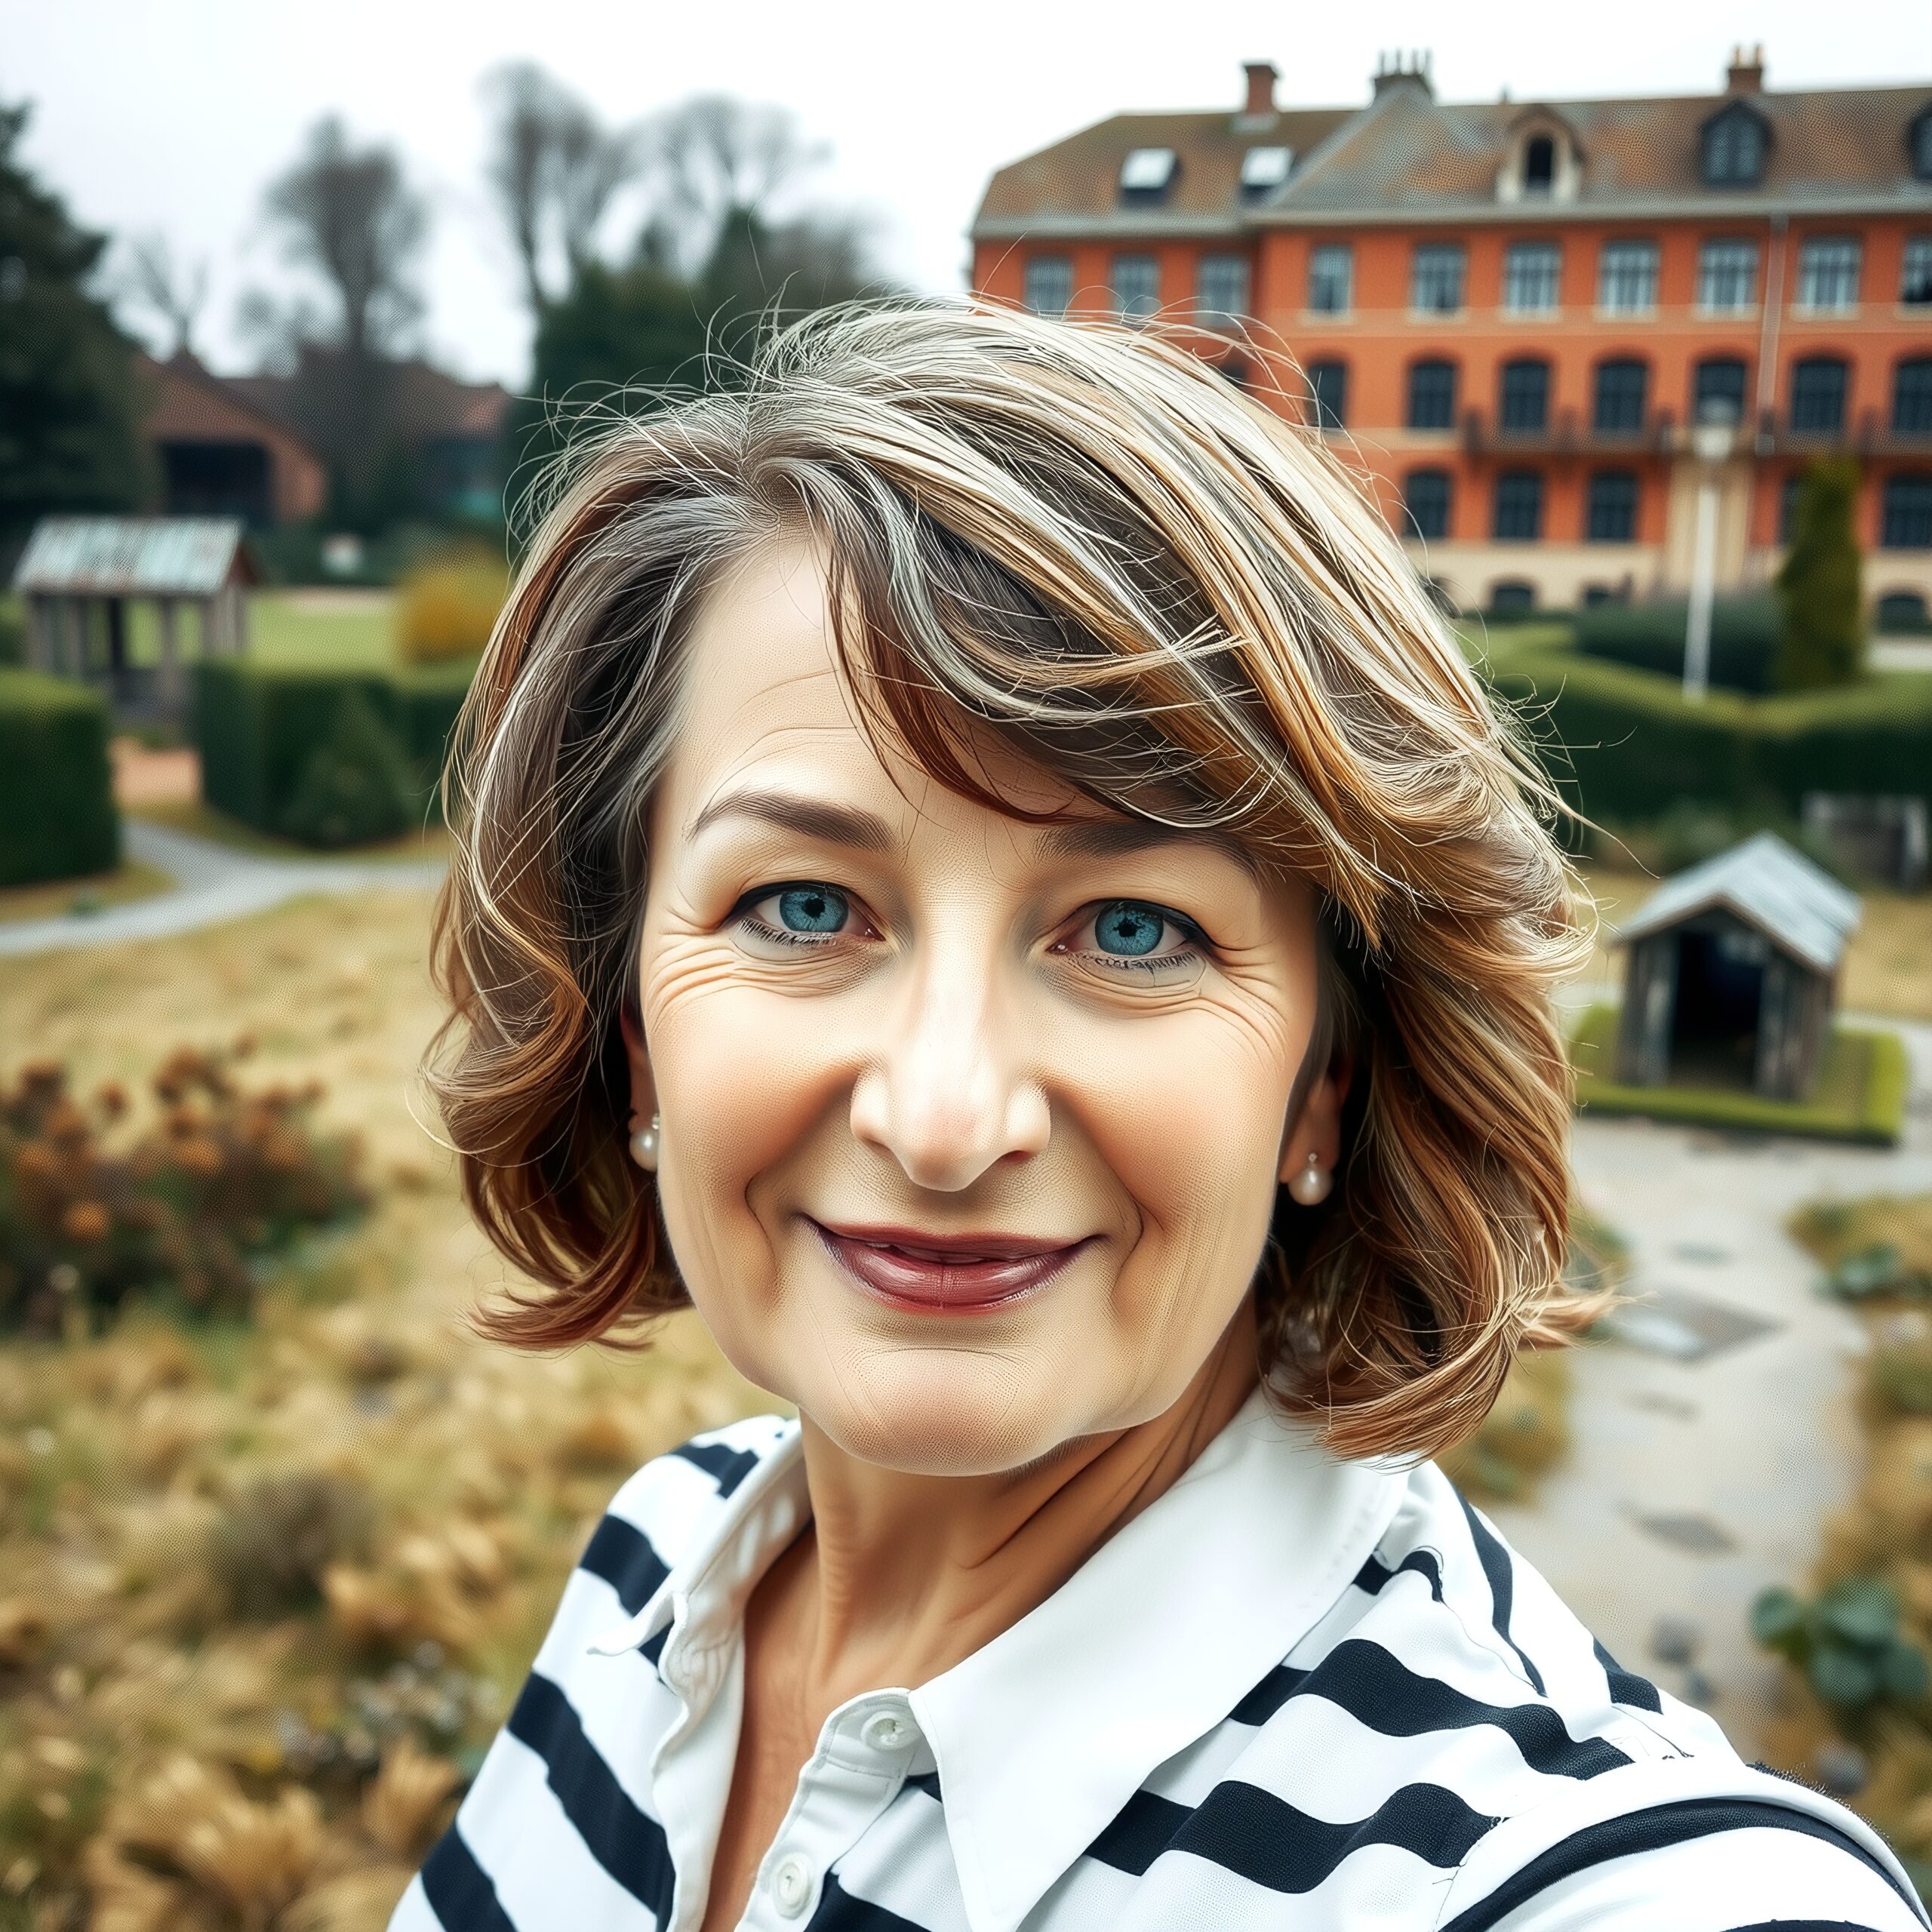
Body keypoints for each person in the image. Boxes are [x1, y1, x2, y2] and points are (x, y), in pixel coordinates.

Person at [389, 303, 1925, 1932]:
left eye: (1131, 928)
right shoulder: (654, 1561)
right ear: (632, 1029)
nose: (943, 1120)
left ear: (1324, 1079)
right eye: (802, 906)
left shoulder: (1599, 1883)